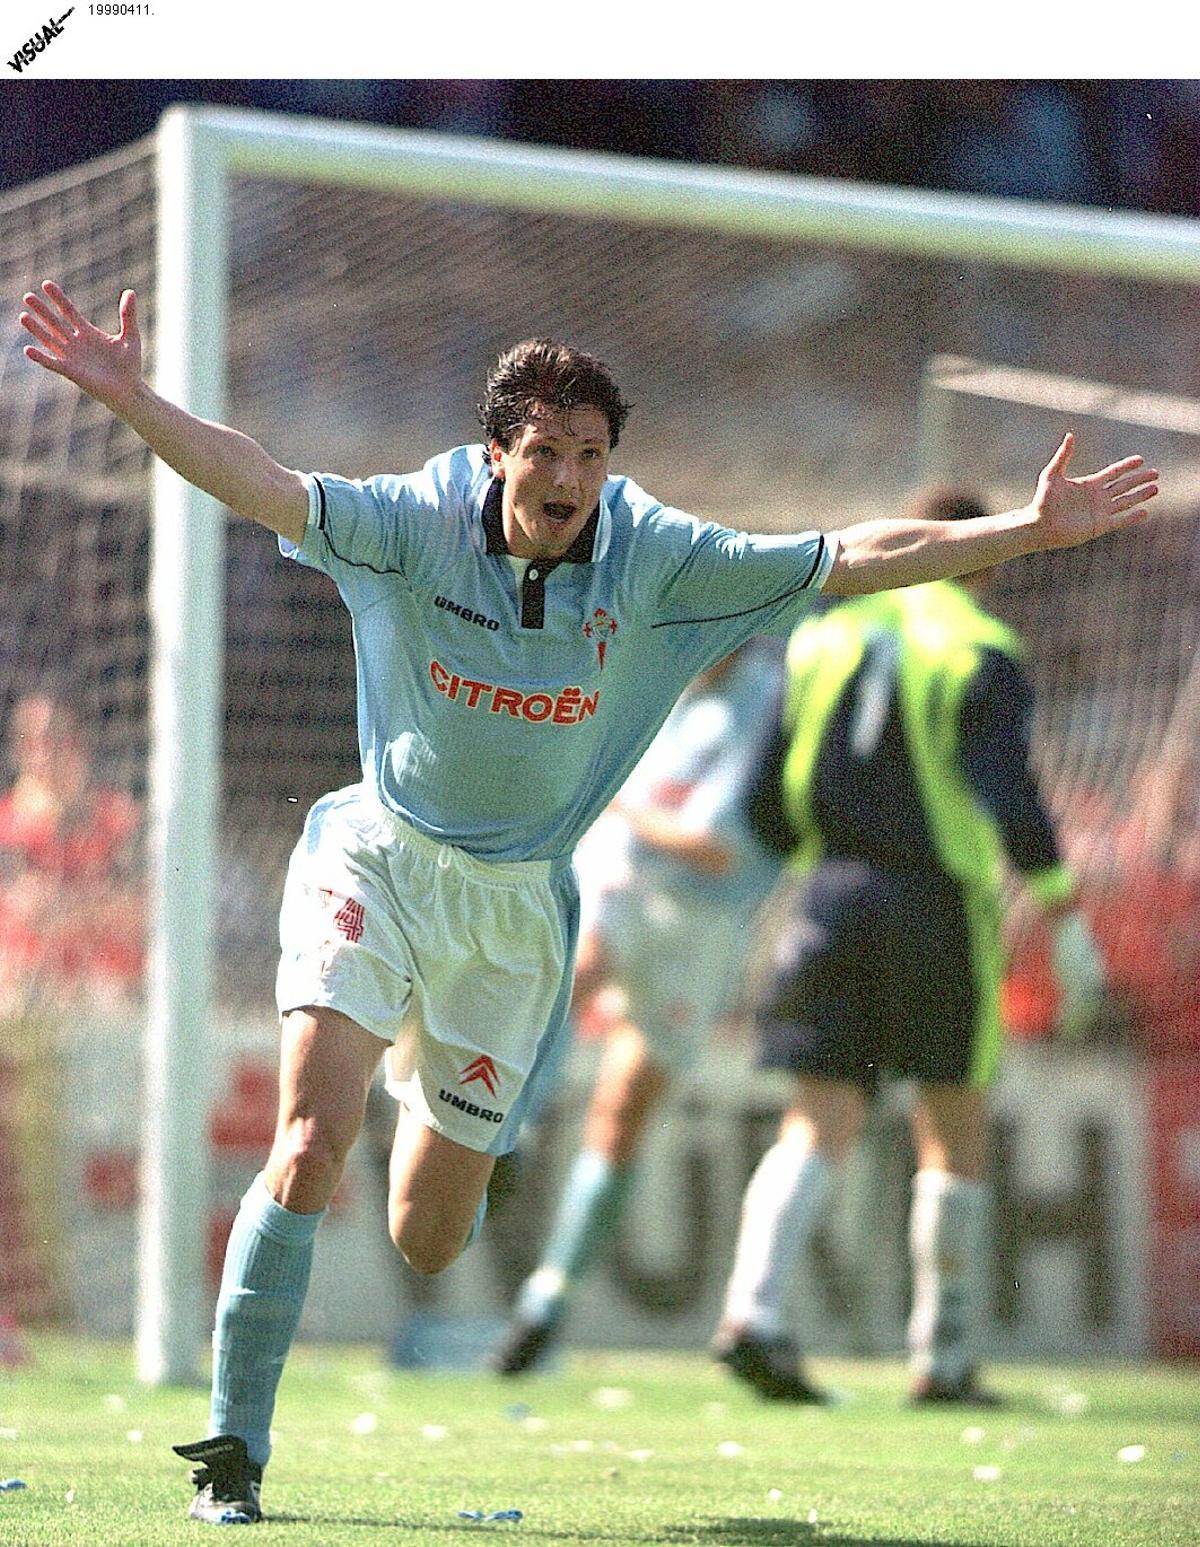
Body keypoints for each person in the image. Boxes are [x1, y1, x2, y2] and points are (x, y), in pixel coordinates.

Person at [18, 280, 1157, 1523]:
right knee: (307, 1138)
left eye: (592, 455)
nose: (568, 476)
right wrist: (133, 400)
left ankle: (430, 1093)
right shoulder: (414, 518)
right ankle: (233, 1450)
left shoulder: (656, 555)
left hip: (512, 916)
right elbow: (264, 484)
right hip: (379, 859)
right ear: (497, 450)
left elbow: (853, 557)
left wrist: (1023, 534)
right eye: (547, 450)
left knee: (430, 1235)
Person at [711, 487, 1110, 1408]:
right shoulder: (980, 647)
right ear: (985, 553)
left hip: (829, 897)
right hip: (936, 903)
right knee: (952, 1123)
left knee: (816, 1118)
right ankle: (945, 1355)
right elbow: (1010, 792)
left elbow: (764, 800)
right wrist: (1065, 915)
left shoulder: (819, 636)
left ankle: (752, 1314)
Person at [490, 641, 785, 1375]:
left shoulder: (767, 701)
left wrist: (610, 797)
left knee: (622, 1111)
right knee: (571, 970)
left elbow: (714, 846)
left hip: (700, 925)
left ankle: (547, 1300)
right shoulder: (659, 677)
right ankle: (507, 1136)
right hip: (627, 881)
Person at [0, 686, 143, 1333]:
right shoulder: (8, 826)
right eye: (31, 741)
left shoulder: (117, 819)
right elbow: (25, 915)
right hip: (29, 1019)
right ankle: (41, 1307)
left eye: (56, 739)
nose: (44, 754)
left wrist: (72, 913)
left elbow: (143, 910)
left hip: (112, 1020)